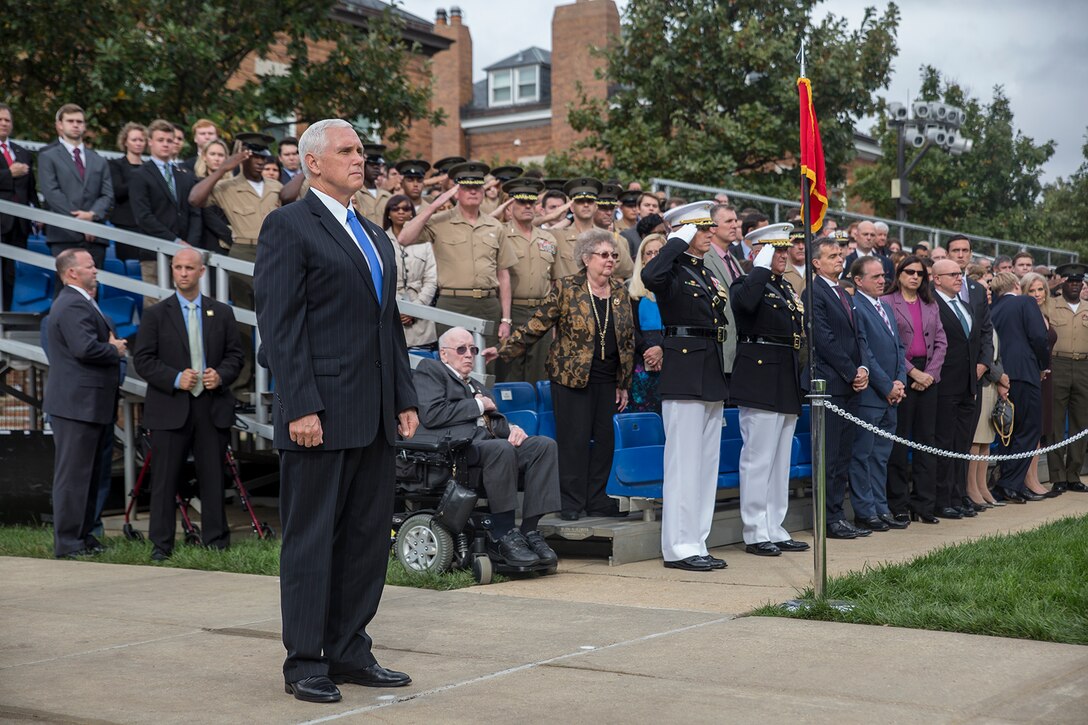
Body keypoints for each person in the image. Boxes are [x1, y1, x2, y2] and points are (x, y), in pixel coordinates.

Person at [254, 118, 419, 704]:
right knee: (312, 539)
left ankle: (350, 649)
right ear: (313, 162)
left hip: (373, 414)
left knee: (366, 538)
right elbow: (280, 327)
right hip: (318, 413)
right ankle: (305, 661)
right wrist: (299, 404)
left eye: (362, 149)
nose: (361, 158)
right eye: (347, 150)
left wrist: (404, 396)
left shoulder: (373, 235)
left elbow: (387, 329)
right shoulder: (288, 225)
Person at [488, 229, 635, 520]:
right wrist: (503, 350)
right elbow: (537, 325)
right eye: (604, 255)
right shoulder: (567, 288)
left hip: (607, 379)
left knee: (605, 441)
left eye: (614, 255)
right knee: (574, 441)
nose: (611, 260)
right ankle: (570, 502)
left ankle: (597, 499)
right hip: (571, 378)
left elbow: (627, 340)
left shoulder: (620, 292)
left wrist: (623, 382)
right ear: (586, 258)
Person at [133, 248, 244, 560]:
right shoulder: (156, 314)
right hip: (170, 406)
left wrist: (220, 375)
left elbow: (236, 356)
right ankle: (161, 545)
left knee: (212, 477)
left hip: (211, 406)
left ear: (201, 272)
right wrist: (173, 377)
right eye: (178, 267)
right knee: (164, 480)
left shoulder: (221, 312)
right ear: (172, 270)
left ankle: (216, 542)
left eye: (189, 268)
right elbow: (142, 359)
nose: (183, 273)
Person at [416, 329, 560, 564]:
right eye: (461, 349)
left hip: (486, 445)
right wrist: (477, 405)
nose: (468, 355)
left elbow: (494, 421)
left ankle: (529, 531)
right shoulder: (431, 371)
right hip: (456, 450)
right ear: (444, 354)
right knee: (501, 449)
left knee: (543, 446)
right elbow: (432, 415)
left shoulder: (476, 384)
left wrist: (513, 428)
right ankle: (502, 534)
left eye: (472, 350)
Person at [641, 201, 730, 571]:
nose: (710, 233)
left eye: (711, 227)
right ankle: (678, 546)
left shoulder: (701, 271)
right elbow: (650, 276)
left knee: (706, 465)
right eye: (702, 228)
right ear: (685, 231)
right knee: (683, 464)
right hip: (684, 371)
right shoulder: (672, 268)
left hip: (709, 368)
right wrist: (675, 239)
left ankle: (697, 540)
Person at [730, 224, 809, 556]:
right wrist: (759, 267)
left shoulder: (785, 287)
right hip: (760, 373)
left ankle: (775, 526)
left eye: (782, 250)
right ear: (757, 253)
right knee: (758, 458)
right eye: (774, 250)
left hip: (785, 372)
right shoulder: (746, 283)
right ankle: (754, 530)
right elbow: (746, 305)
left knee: (780, 460)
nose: (782, 255)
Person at [42, 249, 126, 558]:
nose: (96, 270)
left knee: (91, 475)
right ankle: (68, 542)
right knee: (74, 476)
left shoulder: (82, 301)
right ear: (71, 272)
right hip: (76, 406)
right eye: (89, 266)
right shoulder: (71, 303)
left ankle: (85, 536)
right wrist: (114, 349)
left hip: (91, 404)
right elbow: (85, 348)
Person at [397, 161, 516, 364]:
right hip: (452, 302)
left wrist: (506, 319)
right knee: (453, 364)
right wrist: (434, 205)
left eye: (477, 187)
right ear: (456, 191)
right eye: (466, 187)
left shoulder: (495, 226)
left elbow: (503, 274)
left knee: (487, 363)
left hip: (488, 304)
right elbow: (404, 238)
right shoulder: (440, 220)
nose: (472, 191)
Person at [189, 132, 282, 392]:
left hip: (273, 253)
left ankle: (275, 384)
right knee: (242, 322)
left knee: (277, 320)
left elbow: (293, 197)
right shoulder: (227, 186)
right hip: (242, 251)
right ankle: (242, 383)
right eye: (254, 156)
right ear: (243, 158)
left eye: (265, 156)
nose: (261, 162)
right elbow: (195, 199)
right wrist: (222, 169)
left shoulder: (275, 186)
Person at [807, 237, 872, 539]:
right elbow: (823, 338)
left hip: (850, 384)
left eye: (841, 254)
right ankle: (828, 518)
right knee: (829, 456)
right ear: (816, 262)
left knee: (844, 453)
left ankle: (838, 514)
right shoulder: (814, 291)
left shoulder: (843, 292)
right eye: (832, 255)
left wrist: (862, 369)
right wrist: (849, 371)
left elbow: (857, 336)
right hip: (831, 383)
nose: (839, 259)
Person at [847, 257, 907, 532]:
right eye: (875, 277)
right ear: (858, 281)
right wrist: (886, 386)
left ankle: (881, 509)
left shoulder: (884, 306)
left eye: (883, 276)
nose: (883, 280)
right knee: (863, 455)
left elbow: (898, 348)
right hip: (871, 396)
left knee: (881, 456)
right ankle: (865, 511)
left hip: (890, 395)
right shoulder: (855, 306)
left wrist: (900, 381)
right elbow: (865, 352)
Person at [988, 272, 1050, 501]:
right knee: (1029, 430)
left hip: (1002, 376)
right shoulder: (1025, 301)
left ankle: (1009, 482)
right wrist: (1043, 365)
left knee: (1008, 432)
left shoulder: (993, 310)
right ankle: (1009, 483)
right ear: (1016, 285)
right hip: (1025, 372)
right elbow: (1038, 337)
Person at [931, 259, 984, 516]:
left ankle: (958, 493)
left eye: (960, 274)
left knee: (962, 442)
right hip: (944, 384)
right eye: (952, 274)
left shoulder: (964, 305)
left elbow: (974, 340)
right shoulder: (932, 304)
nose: (959, 278)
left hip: (967, 385)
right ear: (936, 278)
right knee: (944, 442)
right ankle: (942, 499)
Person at [495, 177, 556, 383]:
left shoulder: (548, 238)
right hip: (513, 311)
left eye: (531, 201)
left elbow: (555, 281)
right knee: (510, 373)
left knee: (540, 372)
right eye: (521, 201)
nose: (528, 206)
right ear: (510, 205)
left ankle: (535, 415)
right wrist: (505, 318)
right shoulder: (499, 233)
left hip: (542, 312)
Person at [37, 104, 114, 268]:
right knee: (66, 290)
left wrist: (92, 215)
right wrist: (80, 224)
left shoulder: (99, 160)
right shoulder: (47, 156)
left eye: (79, 121)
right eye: (70, 121)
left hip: (95, 235)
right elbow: (51, 193)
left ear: (84, 126)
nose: (75, 124)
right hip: (64, 235)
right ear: (59, 125)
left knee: (93, 291)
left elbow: (107, 195)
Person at [130, 119, 203, 292]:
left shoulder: (185, 174)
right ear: (150, 142)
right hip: (154, 253)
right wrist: (175, 241)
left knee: (186, 306)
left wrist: (190, 245)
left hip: (186, 254)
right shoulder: (140, 175)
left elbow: (195, 212)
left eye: (169, 141)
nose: (166, 144)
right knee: (155, 305)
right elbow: (143, 217)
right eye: (161, 140)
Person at [1046, 263, 1088, 493]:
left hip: (1084, 365)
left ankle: (1074, 474)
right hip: (1057, 363)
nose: (1074, 285)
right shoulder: (1051, 306)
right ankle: (1057, 476)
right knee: (1054, 421)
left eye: (1078, 282)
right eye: (1070, 281)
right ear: (1062, 283)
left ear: (1082, 284)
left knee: (1080, 422)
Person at [383, 193, 438, 353]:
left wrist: (416, 309)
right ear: (388, 213)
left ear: (412, 214)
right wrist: (397, 308)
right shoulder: (380, 239)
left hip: (421, 316)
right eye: (396, 208)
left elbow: (431, 280)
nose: (401, 212)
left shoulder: (425, 242)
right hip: (392, 313)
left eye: (406, 209)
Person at [1020, 271, 1058, 497]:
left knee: (1039, 430)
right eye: (1031, 290)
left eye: (1040, 289)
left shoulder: (1045, 313)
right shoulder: (1026, 314)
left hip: (1046, 376)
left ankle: (1034, 478)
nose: (1037, 294)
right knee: (1030, 429)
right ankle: (1028, 481)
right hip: (1033, 375)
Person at [0, 103, 35, 309]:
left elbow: (31, 188)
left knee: (11, 274)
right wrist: (8, 174)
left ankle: (5, 314)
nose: (4, 123)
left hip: (18, 225)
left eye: (7, 120)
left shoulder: (22, 152)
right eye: (0, 120)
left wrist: (37, 214)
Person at [628, 234, 666, 413]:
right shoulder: (632, 291)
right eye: (649, 253)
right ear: (642, 259)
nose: (653, 257)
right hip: (642, 359)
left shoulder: (676, 287)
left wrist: (662, 348)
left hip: (671, 356)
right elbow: (629, 327)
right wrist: (648, 351)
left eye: (658, 252)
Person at [106, 122, 148, 262]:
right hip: (125, 224)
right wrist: (139, 176)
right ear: (125, 142)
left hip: (146, 224)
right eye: (134, 140)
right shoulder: (116, 165)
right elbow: (118, 191)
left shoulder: (149, 167)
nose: (138, 143)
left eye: (141, 140)